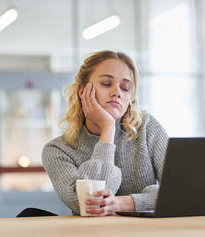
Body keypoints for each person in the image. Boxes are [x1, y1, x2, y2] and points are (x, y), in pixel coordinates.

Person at [42, 50, 168, 216]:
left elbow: (180, 189)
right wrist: (108, 128)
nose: (117, 92)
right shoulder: (58, 150)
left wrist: (121, 203)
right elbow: (88, 204)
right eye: (107, 84)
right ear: (82, 91)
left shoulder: (147, 128)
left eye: (125, 87)